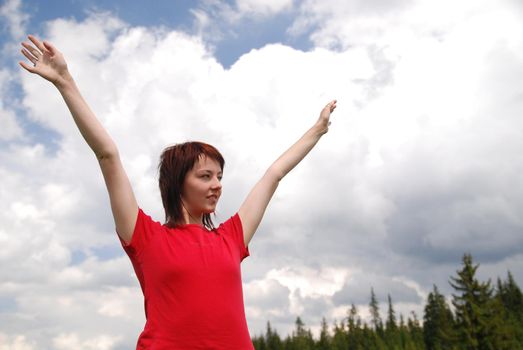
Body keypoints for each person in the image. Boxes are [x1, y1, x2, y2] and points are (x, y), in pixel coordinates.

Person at [20, 34, 337, 350]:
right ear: (178, 182)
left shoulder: (231, 238)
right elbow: (107, 155)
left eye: (219, 176)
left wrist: (317, 130)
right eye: (205, 176)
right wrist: (65, 81)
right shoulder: (145, 237)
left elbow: (274, 174)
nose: (217, 185)